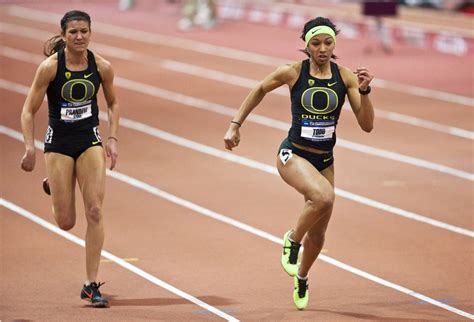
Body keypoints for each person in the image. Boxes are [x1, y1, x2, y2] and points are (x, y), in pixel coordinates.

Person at [224, 17, 374, 310]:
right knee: (323, 196)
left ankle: (302, 276)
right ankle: (292, 240)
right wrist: (235, 125)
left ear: (334, 44)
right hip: (293, 154)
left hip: (324, 160)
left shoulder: (345, 77)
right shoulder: (293, 72)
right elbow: (259, 89)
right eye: (316, 43)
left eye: (328, 42)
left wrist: (366, 92)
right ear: (306, 45)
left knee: (318, 234)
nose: (322, 49)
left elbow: (367, 125)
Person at [20, 10, 120, 308]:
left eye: (84, 31)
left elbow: (113, 103)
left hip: (89, 140)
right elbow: (28, 110)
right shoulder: (50, 67)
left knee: (95, 211)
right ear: (63, 35)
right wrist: (29, 148)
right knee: (66, 222)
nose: (79, 37)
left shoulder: (101, 67)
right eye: (73, 32)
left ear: (91, 32)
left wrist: (112, 138)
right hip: (60, 143)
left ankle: (90, 285)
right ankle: (55, 180)